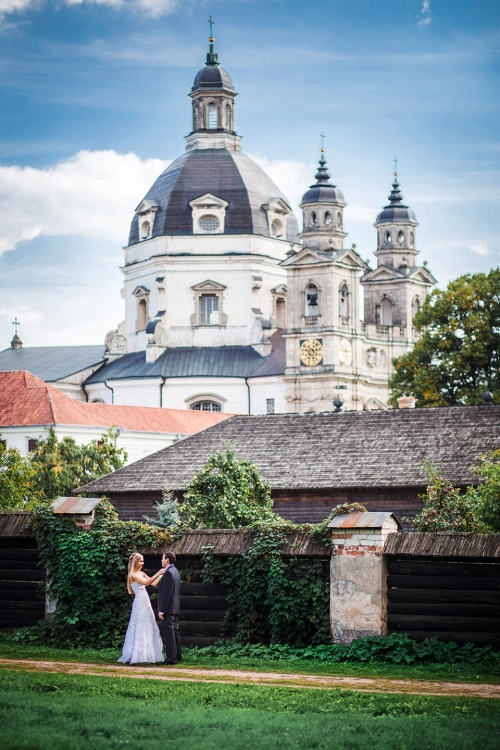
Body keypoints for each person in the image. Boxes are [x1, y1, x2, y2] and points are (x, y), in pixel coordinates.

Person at [118, 552, 165, 665]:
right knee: (139, 625)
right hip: (139, 603)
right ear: (135, 562)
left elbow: (153, 583)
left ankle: (148, 654)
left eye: (143, 561)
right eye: (141, 561)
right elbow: (147, 582)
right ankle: (138, 655)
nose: (142, 563)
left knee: (148, 625)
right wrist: (159, 571)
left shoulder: (141, 573)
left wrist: (161, 575)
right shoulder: (133, 575)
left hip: (146, 602)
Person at [157, 551, 181, 665]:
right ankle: (177, 655)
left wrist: (162, 610)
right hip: (175, 607)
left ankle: (171, 658)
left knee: (169, 632)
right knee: (175, 631)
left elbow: (167, 594)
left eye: (162, 558)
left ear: (167, 560)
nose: (161, 560)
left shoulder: (168, 573)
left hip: (169, 608)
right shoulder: (175, 571)